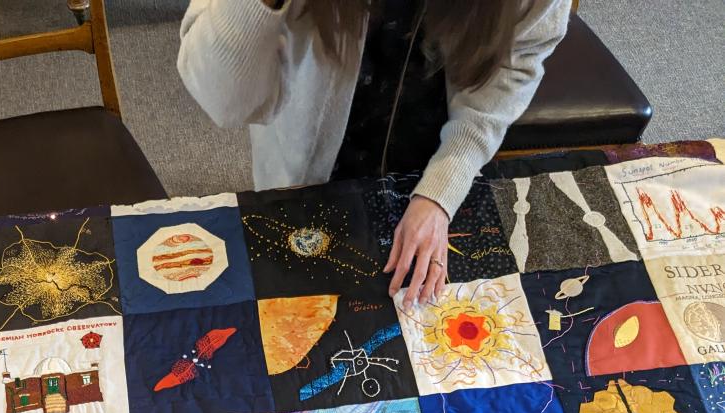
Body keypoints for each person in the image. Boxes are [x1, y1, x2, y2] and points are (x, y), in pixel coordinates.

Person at [178, 0, 572, 306]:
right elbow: (225, 102)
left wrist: (444, 185)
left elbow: (518, 58)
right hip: (308, 171)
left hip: (435, 160)